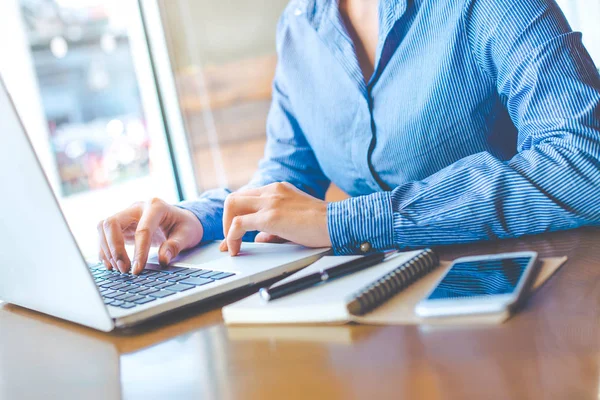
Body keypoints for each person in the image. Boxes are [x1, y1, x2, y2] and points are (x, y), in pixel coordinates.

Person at [98, 0, 600, 275]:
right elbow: (287, 178)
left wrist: (346, 221)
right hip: (374, 299)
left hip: (522, 292)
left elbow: (584, 163)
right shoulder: (299, 25)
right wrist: (201, 218)